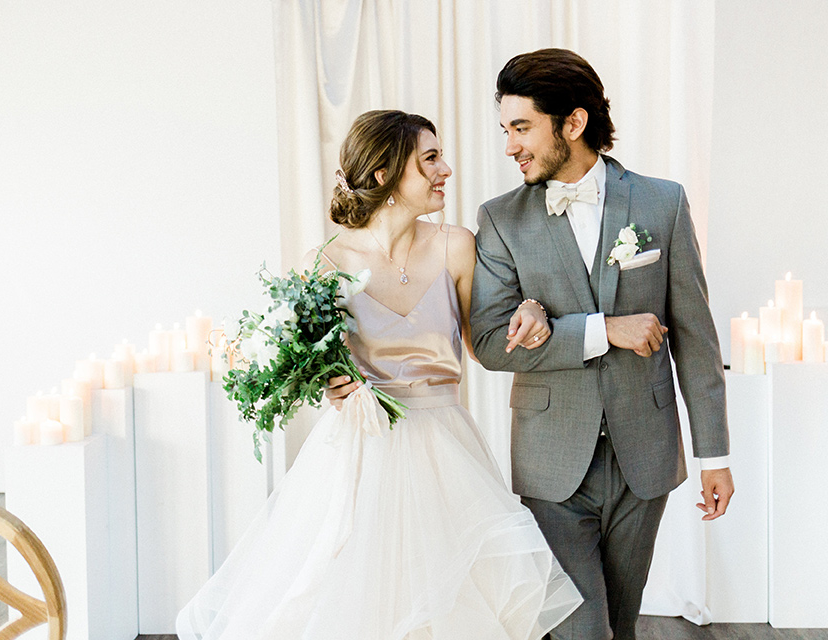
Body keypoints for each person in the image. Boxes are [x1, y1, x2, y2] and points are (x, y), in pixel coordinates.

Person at [176, 109, 582, 640]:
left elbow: (482, 347)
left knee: (452, 601)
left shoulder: (456, 245)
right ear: (383, 175)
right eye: (431, 159)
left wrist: (531, 309)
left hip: (446, 451)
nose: (446, 170)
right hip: (361, 452)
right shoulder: (325, 262)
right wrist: (328, 382)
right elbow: (316, 362)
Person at [468, 49, 735, 640]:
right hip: (552, 462)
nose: (510, 145)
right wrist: (602, 329)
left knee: (618, 624)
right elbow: (490, 342)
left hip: (647, 457)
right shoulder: (499, 221)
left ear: (573, 123)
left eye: (521, 127)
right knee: (582, 630)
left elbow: (695, 337)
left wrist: (713, 455)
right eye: (506, 129)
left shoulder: (662, 203)